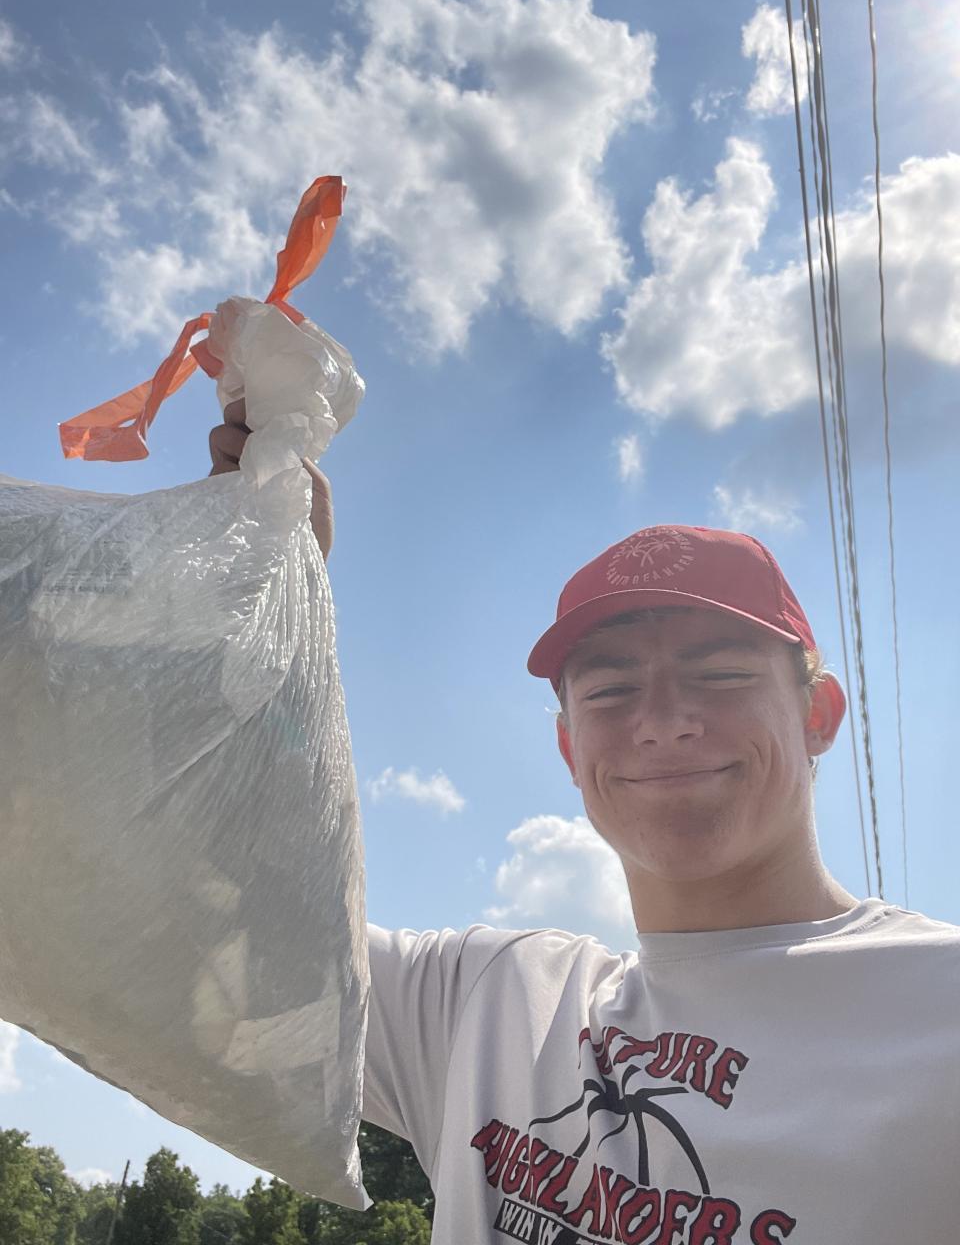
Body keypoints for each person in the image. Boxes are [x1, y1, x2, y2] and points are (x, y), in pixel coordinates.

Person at [211, 406, 960, 1242]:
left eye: (720, 674)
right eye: (610, 690)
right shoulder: (484, 1005)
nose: (664, 722)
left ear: (818, 714)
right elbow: (213, 891)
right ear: (571, 747)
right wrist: (264, 611)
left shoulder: (941, 1003)